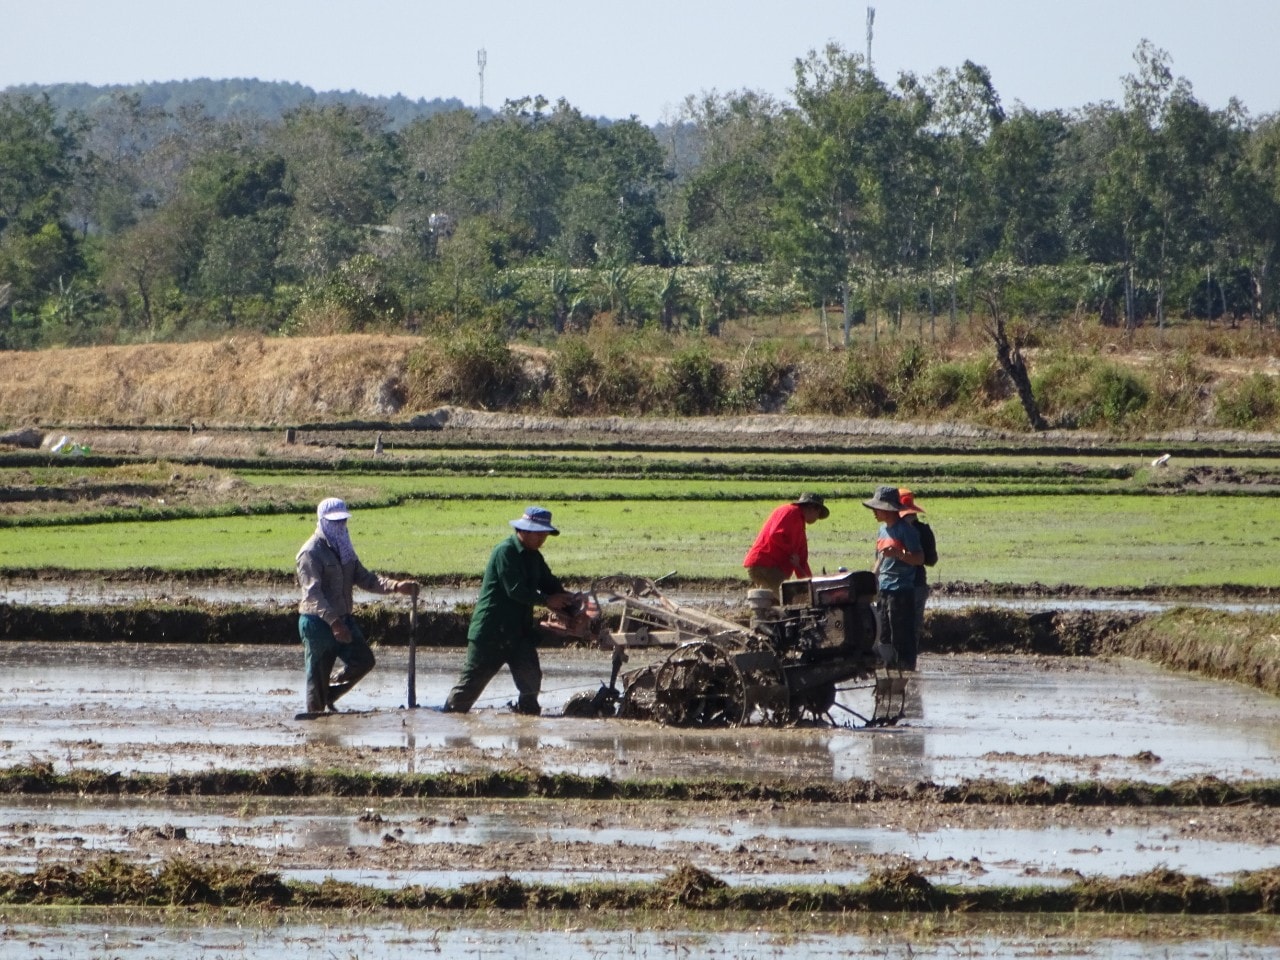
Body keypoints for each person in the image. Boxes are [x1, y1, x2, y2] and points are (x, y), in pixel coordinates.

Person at [443, 505, 578, 715]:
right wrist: (547, 600)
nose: (543, 538)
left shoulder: (534, 557)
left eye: (545, 534)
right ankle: (449, 723)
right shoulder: (505, 551)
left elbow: (551, 585)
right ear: (523, 530)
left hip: (518, 634)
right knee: (468, 690)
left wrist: (574, 604)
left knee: (531, 680)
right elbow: (515, 590)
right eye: (539, 533)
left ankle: (528, 722)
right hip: (490, 633)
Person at [295, 497, 419, 717]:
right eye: (335, 521)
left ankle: (329, 695)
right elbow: (313, 595)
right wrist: (334, 622)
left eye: (343, 520)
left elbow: (365, 578)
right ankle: (314, 722)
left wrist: (396, 586)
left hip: (343, 618)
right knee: (317, 676)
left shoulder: (344, 548)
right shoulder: (310, 553)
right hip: (318, 623)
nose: (340, 525)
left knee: (364, 661)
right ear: (322, 521)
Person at [863, 485, 923, 670]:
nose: (874, 512)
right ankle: (889, 671)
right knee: (883, 635)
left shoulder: (907, 531)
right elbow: (879, 559)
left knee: (901, 635)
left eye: (877, 508)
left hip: (901, 590)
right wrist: (872, 580)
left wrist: (899, 554)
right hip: (884, 589)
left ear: (887, 509)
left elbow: (919, 558)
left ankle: (906, 671)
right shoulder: (882, 531)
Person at [742, 493, 830, 597]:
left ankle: (764, 610)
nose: (818, 517)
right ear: (811, 508)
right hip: (765, 564)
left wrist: (810, 585)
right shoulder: (790, 512)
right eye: (818, 512)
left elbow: (801, 561)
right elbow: (775, 534)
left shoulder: (800, 528)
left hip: (771, 568)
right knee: (788, 599)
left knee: (775, 600)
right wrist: (791, 553)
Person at [898, 488, 938, 646]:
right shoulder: (924, 530)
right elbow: (932, 560)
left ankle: (898, 665)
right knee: (913, 628)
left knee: (896, 627)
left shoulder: (892, 530)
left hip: (897, 585)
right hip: (917, 584)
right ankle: (910, 663)